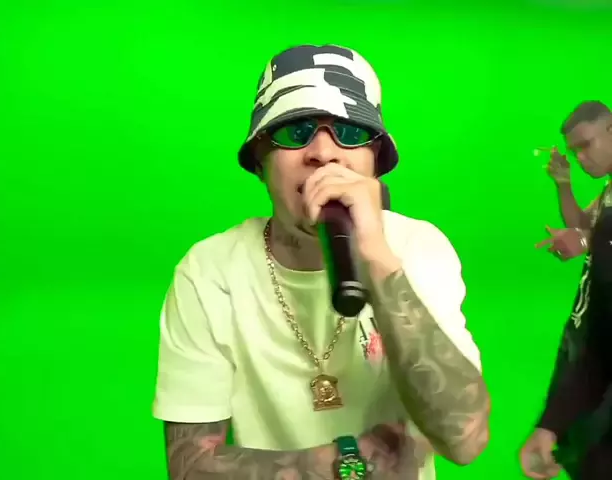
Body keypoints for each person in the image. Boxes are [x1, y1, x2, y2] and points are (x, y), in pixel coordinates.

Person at [152, 44, 490, 480]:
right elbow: (189, 468)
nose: (324, 153)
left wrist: (376, 258)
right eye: (296, 131)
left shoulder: (416, 247)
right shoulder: (210, 271)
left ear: (375, 163)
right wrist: (343, 464)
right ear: (260, 161)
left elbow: (464, 438)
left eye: (349, 132)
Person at [520, 100, 612, 479]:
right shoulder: (609, 190)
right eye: (575, 152)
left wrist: (587, 242)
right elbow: (585, 225)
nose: (582, 158)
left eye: (586, 145)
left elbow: (592, 236)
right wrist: (563, 184)